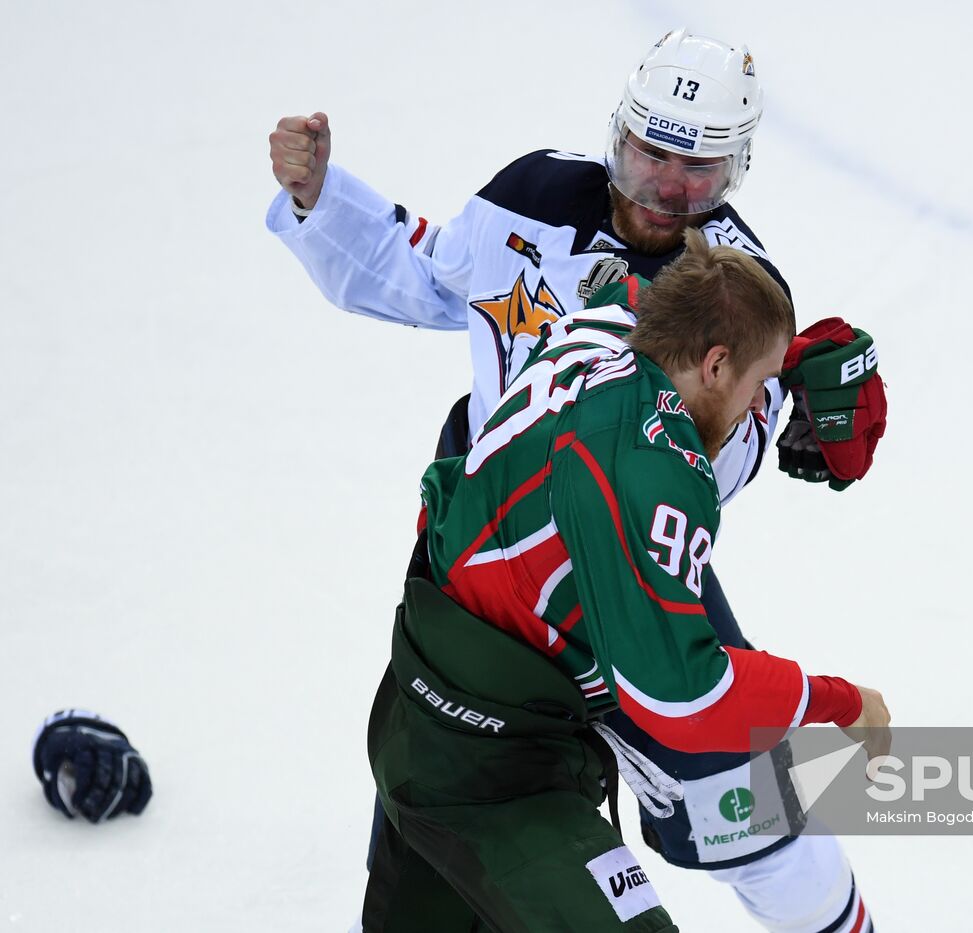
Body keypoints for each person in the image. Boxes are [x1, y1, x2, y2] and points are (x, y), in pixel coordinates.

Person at [268, 28, 887, 931]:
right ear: (618, 130)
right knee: (448, 802)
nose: (667, 189)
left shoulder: (730, 280)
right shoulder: (530, 198)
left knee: (748, 796)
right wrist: (323, 200)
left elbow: (715, 453)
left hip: (624, 553)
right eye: (649, 154)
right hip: (488, 554)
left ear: (737, 170)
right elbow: (434, 274)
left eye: (699, 171)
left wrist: (789, 414)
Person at [365, 230, 890, 931]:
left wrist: (785, 350)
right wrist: (837, 700)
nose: (758, 408)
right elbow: (684, 698)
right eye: (759, 385)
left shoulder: (600, 329)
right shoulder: (652, 470)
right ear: (713, 364)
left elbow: (628, 287)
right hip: (492, 776)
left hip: (422, 704)